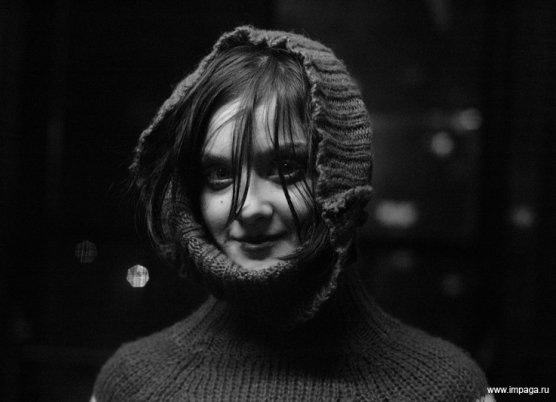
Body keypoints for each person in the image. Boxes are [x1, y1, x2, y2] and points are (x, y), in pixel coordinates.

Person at [92, 26, 493, 401]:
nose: (250, 208)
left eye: (286, 168)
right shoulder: (130, 386)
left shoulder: (447, 389)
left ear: (341, 176)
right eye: (219, 174)